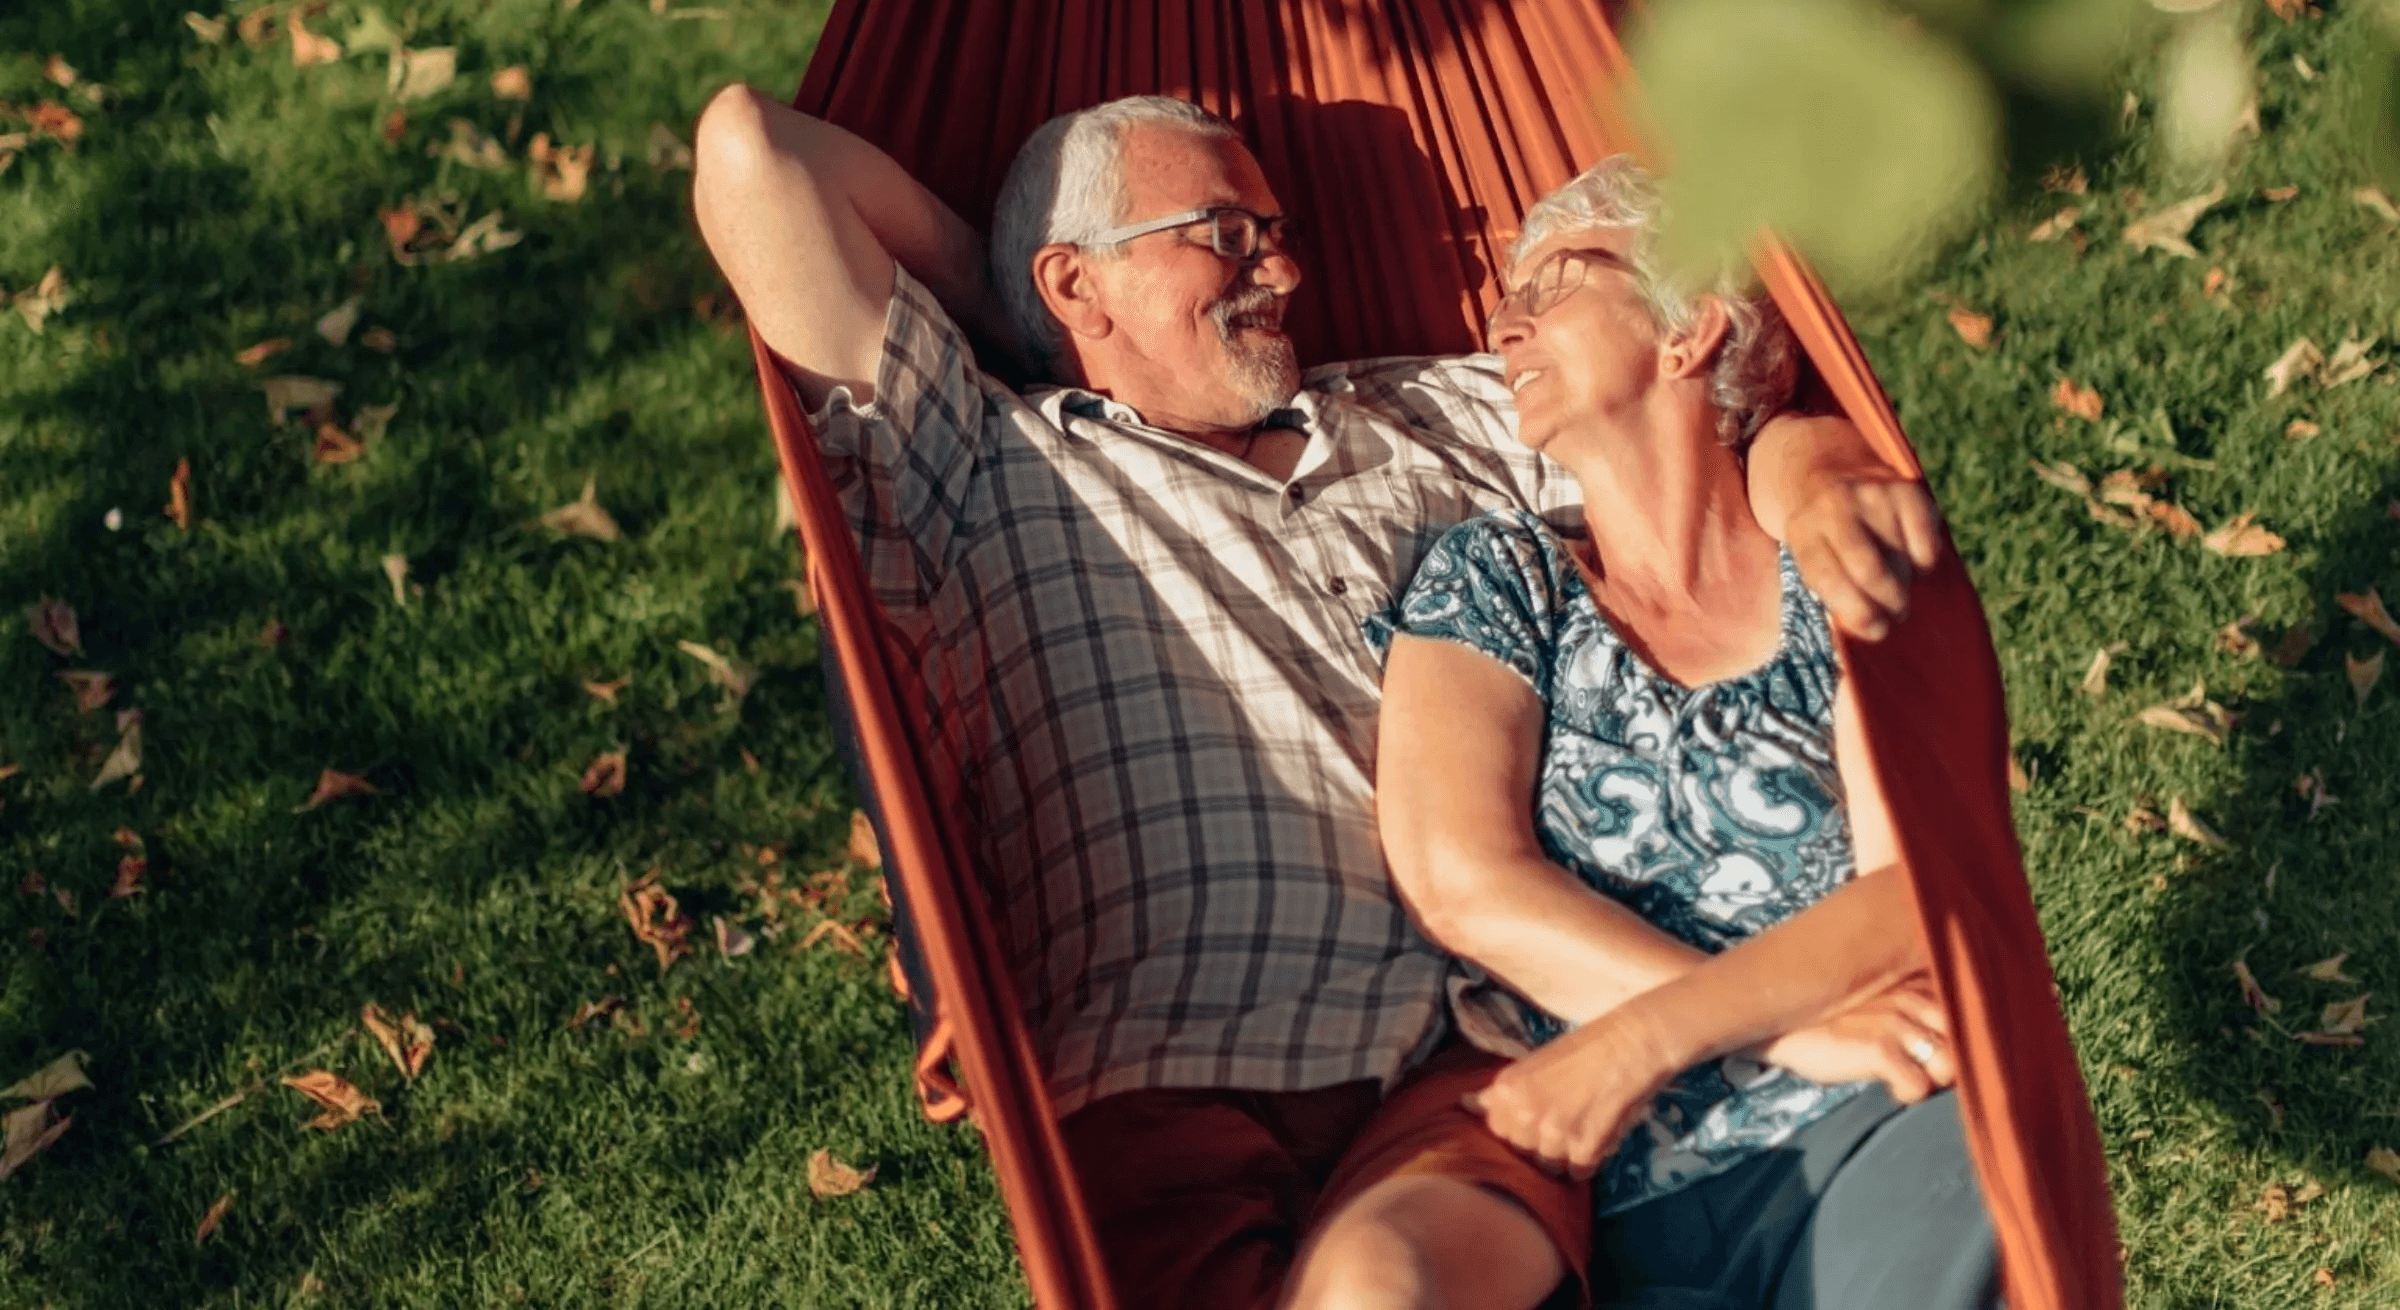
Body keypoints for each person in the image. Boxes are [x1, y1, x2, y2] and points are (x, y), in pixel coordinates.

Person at [690, 88, 1946, 1309]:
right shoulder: (973, 460)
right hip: (1161, 1083)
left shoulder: (1432, 411)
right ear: (1078, 282)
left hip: (1466, 1051)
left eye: (1279, 236)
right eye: (1227, 235)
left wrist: (1824, 473)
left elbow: (1698, 409)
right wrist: (1022, 302)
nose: (1280, 271)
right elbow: (754, 154)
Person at [1288, 156, 1998, 1310]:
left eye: (1554, 279)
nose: (1501, 321)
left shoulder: (1833, 556)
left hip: (1883, 1118)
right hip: (1613, 1188)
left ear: (1690, 327)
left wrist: (1639, 1040)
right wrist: (1786, 1030)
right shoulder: (1498, 578)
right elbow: (1465, 881)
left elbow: (1921, 887)